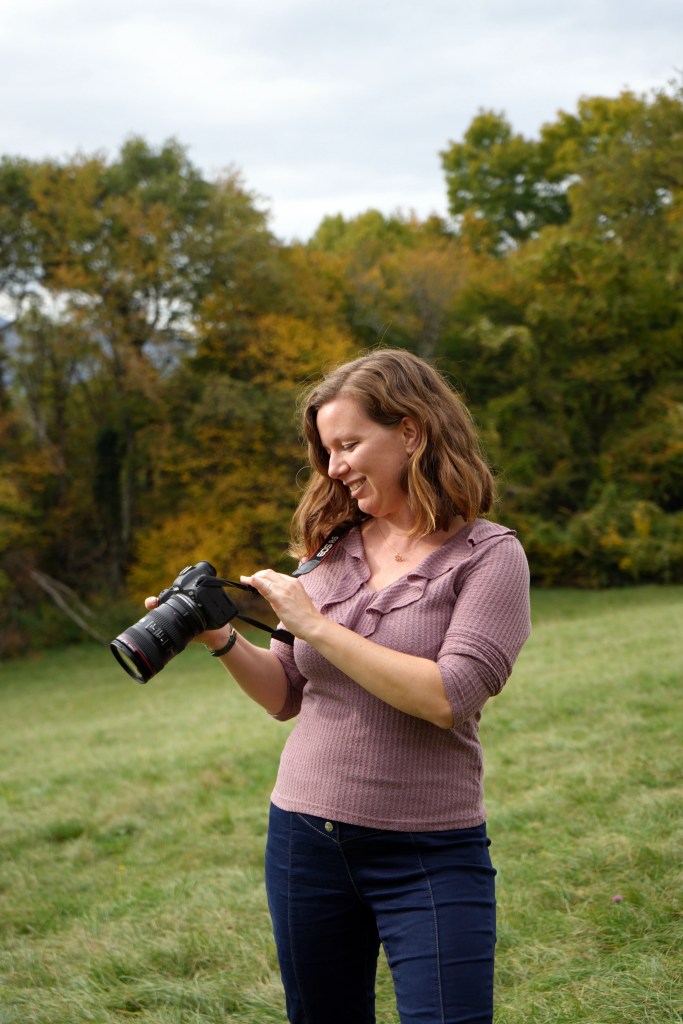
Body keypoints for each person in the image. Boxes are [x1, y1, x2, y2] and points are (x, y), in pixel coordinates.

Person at [147, 348, 531, 1024]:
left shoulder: (489, 557)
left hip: (429, 850)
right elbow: (285, 694)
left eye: (349, 445)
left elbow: (448, 697)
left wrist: (316, 627)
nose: (333, 468)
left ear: (410, 431)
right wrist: (220, 639)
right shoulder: (328, 548)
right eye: (326, 451)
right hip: (304, 841)